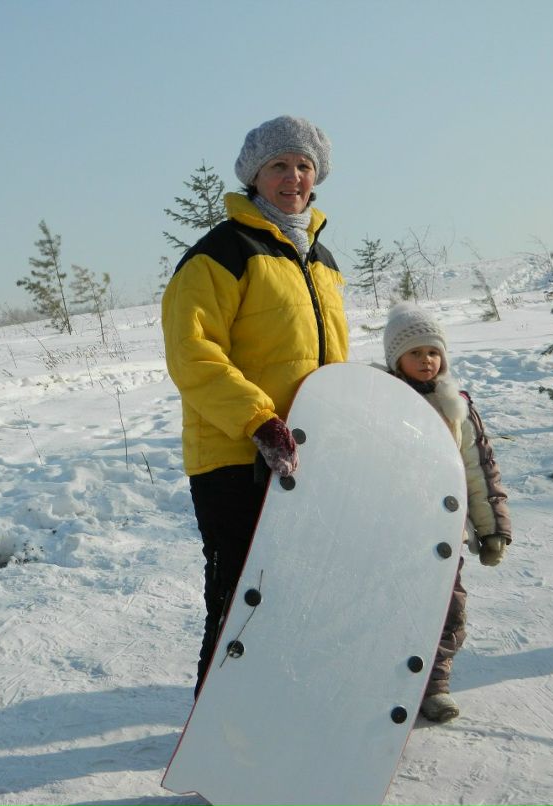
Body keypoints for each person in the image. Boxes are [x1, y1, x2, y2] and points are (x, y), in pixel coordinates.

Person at [161, 115, 349, 695]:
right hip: (235, 456)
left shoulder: (322, 260)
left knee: (298, 592)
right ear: (254, 176)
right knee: (241, 599)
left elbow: (328, 361)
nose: (292, 176)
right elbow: (192, 354)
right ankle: (216, 736)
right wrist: (258, 420)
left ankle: (275, 718)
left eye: (302, 165)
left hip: (304, 454)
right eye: (278, 165)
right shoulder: (223, 252)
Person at [382, 302, 512, 723]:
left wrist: (492, 529)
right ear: (395, 359)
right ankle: (380, 681)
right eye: (415, 352)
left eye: (433, 352)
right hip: (391, 533)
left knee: (447, 609)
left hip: (443, 533)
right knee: (391, 608)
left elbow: (479, 470)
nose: (426, 360)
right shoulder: (379, 403)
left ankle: (434, 686)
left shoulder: (455, 406)